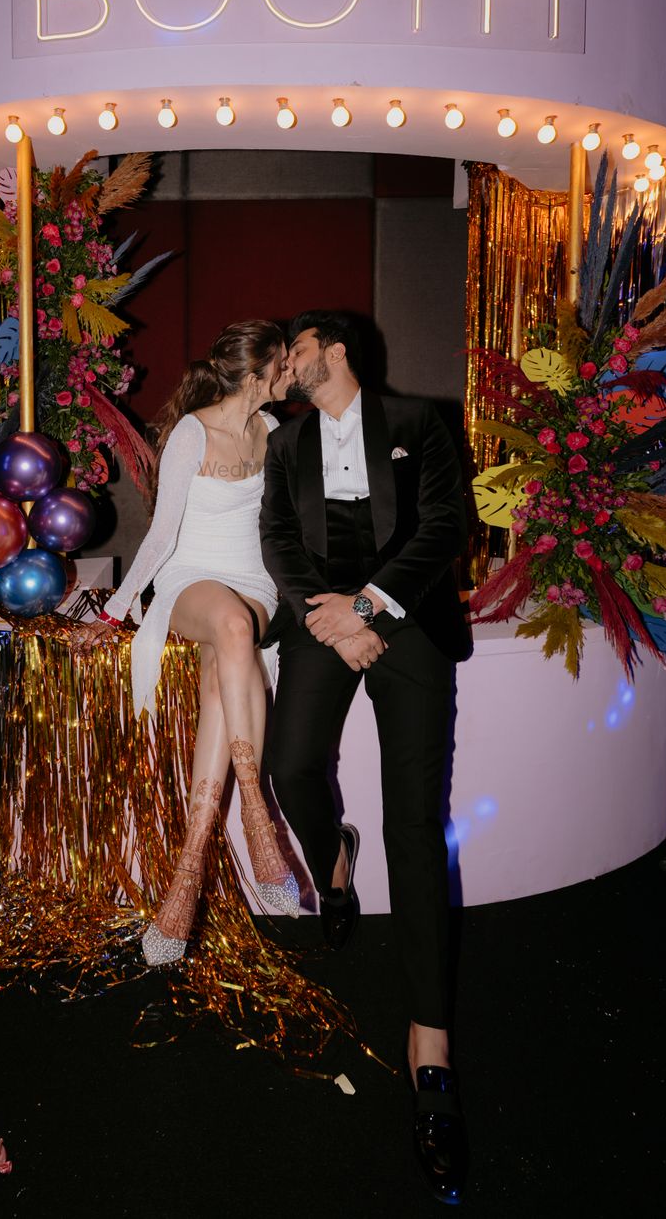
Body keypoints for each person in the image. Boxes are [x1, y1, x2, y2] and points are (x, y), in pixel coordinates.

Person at [259, 310, 473, 1207]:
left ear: (334, 351)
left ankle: (430, 1048)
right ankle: (333, 855)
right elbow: (279, 539)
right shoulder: (287, 444)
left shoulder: (422, 420)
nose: (287, 364)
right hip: (320, 623)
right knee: (291, 766)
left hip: (409, 620)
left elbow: (444, 526)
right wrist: (326, 615)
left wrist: (371, 608)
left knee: (416, 825)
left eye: (296, 350)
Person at [91, 320, 299, 967]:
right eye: (284, 365)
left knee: (225, 662)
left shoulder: (275, 433)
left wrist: (388, 456)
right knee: (230, 627)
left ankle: (186, 878)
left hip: (253, 585)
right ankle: (256, 812)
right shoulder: (191, 431)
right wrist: (119, 611)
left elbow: (335, 476)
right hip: (188, 581)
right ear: (258, 372)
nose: (291, 374)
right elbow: (159, 537)